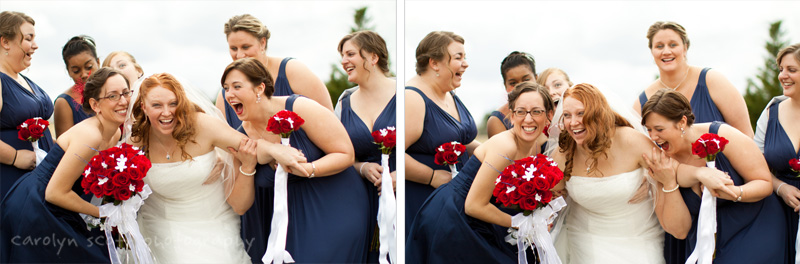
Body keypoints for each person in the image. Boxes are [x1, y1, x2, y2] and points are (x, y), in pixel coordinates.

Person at [222, 57, 369, 263]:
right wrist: (251, 163)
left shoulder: (299, 106)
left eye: (237, 86)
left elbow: (345, 154)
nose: (229, 94)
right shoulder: (240, 139)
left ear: (259, 88)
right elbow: (239, 205)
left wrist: (309, 168)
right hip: (287, 222)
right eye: (226, 88)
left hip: (335, 203)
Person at [130, 72, 288, 263]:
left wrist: (276, 150)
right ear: (143, 107)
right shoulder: (137, 140)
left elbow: (248, 146)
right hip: (159, 227)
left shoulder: (201, 124)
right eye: (157, 105)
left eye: (173, 104)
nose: (166, 112)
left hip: (214, 223)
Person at [407, 82, 553, 263]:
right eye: (521, 111)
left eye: (536, 111)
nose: (528, 119)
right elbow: (473, 205)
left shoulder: (534, 147)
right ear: (512, 115)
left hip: (481, 217)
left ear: (548, 116)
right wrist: (522, 225)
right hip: (454, 216)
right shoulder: (505, 146)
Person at [641, 89, 786, 263]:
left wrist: (735, 192)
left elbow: (764, 183)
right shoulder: (660, 161)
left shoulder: (723, 135)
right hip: (708, 242)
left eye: (659, 129)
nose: (653, 137)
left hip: (755, 225)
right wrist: (672, 180)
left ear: (682, 122)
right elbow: (678, 230)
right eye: (649, 130)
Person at [0, 67, 127, 262]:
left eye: (126, 92)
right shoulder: (90, 135)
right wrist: (104, 213)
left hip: (60, 203)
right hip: (38, 205)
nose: (123, 100)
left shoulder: (115, 133)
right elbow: (54, 193)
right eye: (113, 96)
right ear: (95, 104)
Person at [551, 83, 665, 263]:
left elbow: (669, 169)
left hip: (640, 238)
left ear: (597, 113)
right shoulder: (565, 152)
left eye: (581, 113)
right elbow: (551, 194)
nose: (573, 122)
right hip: (586, 241)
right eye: (567, 115)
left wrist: (651, 177)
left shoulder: (630, 139)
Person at [405, 31, 478, 235]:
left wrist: (495, 154)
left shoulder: (449, 93)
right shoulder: (412, 98)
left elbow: (460, 140)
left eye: (465, 57)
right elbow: (392, 154)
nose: (465, 64)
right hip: (426, 200)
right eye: (458, 58)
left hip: (454, 198)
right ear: (434, 63)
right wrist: (431, 177)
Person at [335, 30, 396, 263]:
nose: (343, 61)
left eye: (350, 54)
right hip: (361, 199)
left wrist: (400, 175)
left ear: (373, 57)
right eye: (342, 56)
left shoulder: (407, 93)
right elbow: (336, 152)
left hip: (406, 191)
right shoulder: (344, 101)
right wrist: (361, 168)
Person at [634, 21, 753, 138]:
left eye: (673, 45)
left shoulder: (712, 81)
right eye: (659, 46)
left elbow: (746, 136)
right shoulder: (641, 103)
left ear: (685, 48)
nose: (666, 51)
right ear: (652, 51)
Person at [216, 14, 332, 130]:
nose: (240, 55)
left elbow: (330, 121)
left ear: (262, 43)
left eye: (246, 47)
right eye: (234, 49)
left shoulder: (292, 71)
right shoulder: (225, 97)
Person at [754, 43, 800, 263]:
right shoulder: (771, 112)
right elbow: (754, 164)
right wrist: (781, 188)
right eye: (781, 69)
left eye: (791, 70)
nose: (783, 76)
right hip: (776, 212)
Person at [0, 11, 54, 199]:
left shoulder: (23, 78)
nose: (35, 45)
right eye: (28, 38)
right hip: (12, 180)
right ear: (5, 42)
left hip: (39, 178)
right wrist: (14, 157)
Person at [53, 35, 99, 138]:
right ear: (68, 71)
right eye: (76, 71)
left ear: (98, 62)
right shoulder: (64, 103)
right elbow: (64, 148)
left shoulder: (111, 92)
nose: (84, 74)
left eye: (89, 67)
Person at [486, 51, 537, 138]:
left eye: (526, 80)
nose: (521, 86)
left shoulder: (550, 110)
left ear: (536, 78)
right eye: (513, 83)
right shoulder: (498, 120)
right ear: (505, 85)